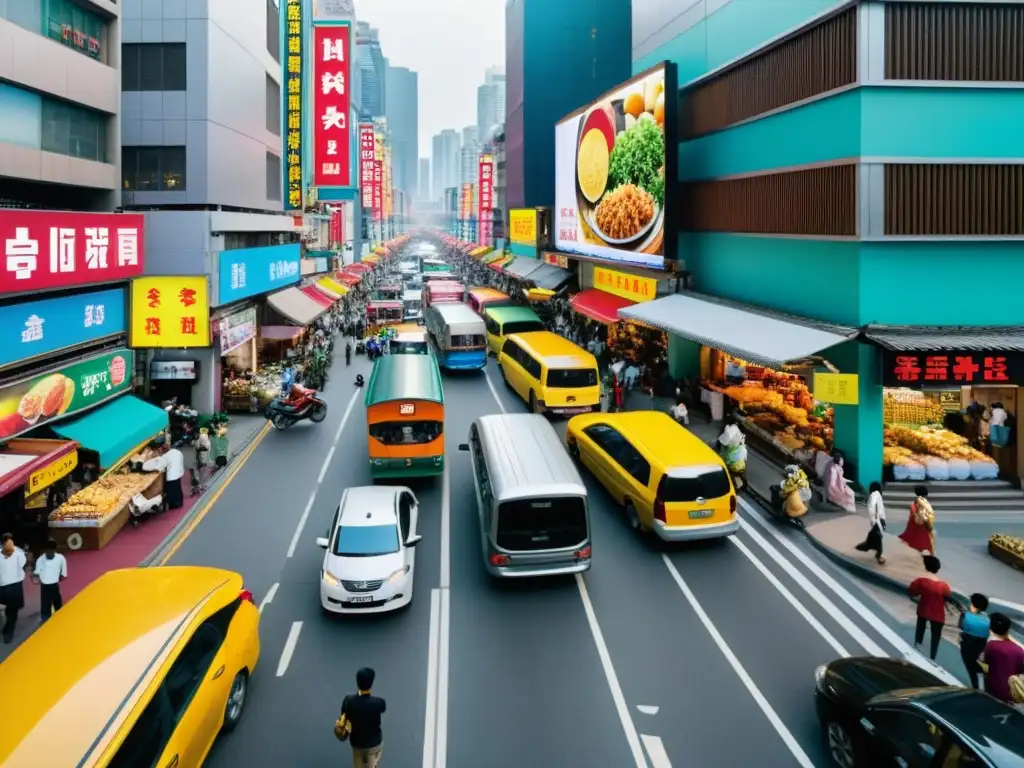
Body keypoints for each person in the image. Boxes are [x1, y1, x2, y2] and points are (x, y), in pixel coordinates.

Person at [908, 555, 952, 661]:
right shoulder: (944, 586)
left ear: (925, 566)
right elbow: (948, 596)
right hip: (938, 614)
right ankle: (933, 656)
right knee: (936, 636)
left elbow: (911, 592)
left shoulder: (920, 581)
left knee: (920, 630)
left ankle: (916, 649)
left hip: (923, 609)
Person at [340, 667, 386, 767]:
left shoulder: (348, 701)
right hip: (374, 744)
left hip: (357, 743)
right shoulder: (379, 702)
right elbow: (383, 709)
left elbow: (343, 714)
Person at [980, 613, 1024, 704]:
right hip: (1011, 692)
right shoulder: (1018, 650)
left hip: (992, 689)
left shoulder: (989, 646)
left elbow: (984, 664)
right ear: (1008, 629)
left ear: (991, 628)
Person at [142, 438, 186, 510]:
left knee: (171, 491)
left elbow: (157, 465)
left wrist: (143, 466)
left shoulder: (166, 456)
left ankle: (173, 505)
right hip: (179, 473)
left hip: (172, 476)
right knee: (178, 489)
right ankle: (179, 503)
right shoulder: (176, 451)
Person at [958, 592, 991, 689]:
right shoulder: (986, 616)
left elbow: (961, 626)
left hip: (968, 641)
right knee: (976, 661)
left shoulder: (965, 615)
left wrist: (963, 614)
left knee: (969, 664)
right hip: (982, 643)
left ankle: (975, 686)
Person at [0, 533, 28, 643]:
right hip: (13, 586)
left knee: (11, 610)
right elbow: (23, 564)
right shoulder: (19, 552)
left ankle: (8, 631)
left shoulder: (19, 552)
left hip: (6, 586)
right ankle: (8, 631)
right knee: (12, 611)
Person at [33, 539, 67, 622]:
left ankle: (60, 616)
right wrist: (36, 576)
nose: (48, 553)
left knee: (57, 601)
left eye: (50, 550)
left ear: (54, 550)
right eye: (46, 550)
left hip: (55, 585)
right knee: (45, 603)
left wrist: (59, 577)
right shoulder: (40, 559)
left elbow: (64, 573)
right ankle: (45, 618)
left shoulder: (60, 558)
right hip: (44, 586)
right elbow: (37, 572)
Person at [855, 481, 886, 564]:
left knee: (875, 536)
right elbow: (873, 509)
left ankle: (866, 546)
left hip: (878, 521)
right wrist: (876, 522)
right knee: (878, 537)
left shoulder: (874, 495)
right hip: (877, 521)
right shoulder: (875, 495)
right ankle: (878, 555)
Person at [899, 485, 935, 554]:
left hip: (914, 527)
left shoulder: (914, 504)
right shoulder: (923, 505)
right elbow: (918, 520)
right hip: (920, 528)